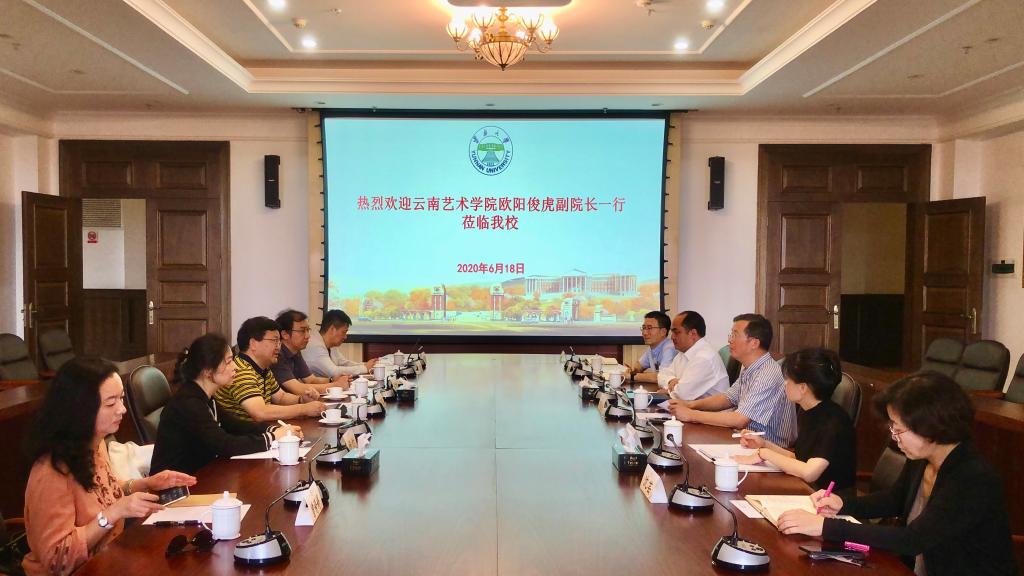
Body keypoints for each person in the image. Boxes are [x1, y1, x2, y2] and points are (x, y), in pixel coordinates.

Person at [777, 372, 1017, 576]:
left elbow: (913, 539)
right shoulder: (924, 458)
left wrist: (826, 526)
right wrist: (843, 504)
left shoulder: (972, 478)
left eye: (899, 429)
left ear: (932, 426)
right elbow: (894, 499)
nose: (894, 437)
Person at [21, 357, 196, 576]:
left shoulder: (95, 443)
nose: (122, 409)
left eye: (121, 398)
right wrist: (112, 514)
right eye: (111, 403)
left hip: (108, 557)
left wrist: (147, 483)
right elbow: (58, 560)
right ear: (80, 408)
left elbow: (102, 492)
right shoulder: (51, 470)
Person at [151, 333, 304, 475]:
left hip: (202, 475)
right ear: (208, 370)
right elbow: (225, 445)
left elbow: (236, 425)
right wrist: (273, 437)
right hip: (176, 488)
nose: (235, 367)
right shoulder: (189, 403)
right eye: (229, 362)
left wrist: (276, 430)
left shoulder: (205, 397)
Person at [732, 347, 856, 491]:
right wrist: (764, 444)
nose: (784, 383)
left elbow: (809, 472)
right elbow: (799, 458)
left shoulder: (833, 421)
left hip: (829, 499)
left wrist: (764, 453)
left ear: (803, 388)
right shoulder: (810, 410)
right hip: (807, 490)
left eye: (788, 379)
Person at [668, 313, 797, 447]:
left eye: (735, 335)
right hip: (746, 440)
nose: (730, 340)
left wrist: (691, 414)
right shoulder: (751, 368)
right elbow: (728, 398)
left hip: (770, 448)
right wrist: (690, 405)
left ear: (754, 343)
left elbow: (740, 419)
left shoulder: (767, 373)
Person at [214, 316, 326, 422]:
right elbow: (260, 412)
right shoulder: (240, 370)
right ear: (253, 344)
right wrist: (303, 409)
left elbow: (281, 397)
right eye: (274, 341)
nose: (278, 346)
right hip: (238, 433)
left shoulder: (263, 369)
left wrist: (301, 400)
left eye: (279, 341)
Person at [273, 309, 351, 396]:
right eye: (302, 331)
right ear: (285, 334)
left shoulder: (296, 351)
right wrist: (336, 385)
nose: (308, 336)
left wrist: (333, 380)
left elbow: (311, 380)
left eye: (308, 330)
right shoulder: (276, 355)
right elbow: (298, 389)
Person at [656, 311, 729, 400]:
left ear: (693, 333)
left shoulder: (704, 357)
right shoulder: (683, 353)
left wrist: (669, 390)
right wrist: (671, 380)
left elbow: (681, 394)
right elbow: (662, 374)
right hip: (689, 406)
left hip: (707, 409)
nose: (672, 337)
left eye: (676, 332)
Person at [302, 309, 378, 378]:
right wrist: (364, 368)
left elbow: (343, 363)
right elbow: (333, 372)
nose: (345, 337)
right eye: (344, 332)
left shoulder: (330, 344)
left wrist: (365, 365)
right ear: (332, 329)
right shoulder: (315, 345)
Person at [625, 311, 676, 385]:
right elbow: (639, 366)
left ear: (663, 332)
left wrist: (632, 376)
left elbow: (662, 377)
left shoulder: (670, 349)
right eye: (643, 328)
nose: (644, 333)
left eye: (649, 328)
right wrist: (632, 370)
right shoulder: (652, 348)